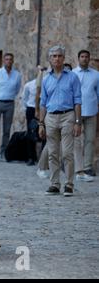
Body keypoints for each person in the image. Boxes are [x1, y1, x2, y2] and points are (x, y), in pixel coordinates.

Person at [38, 45, 82, 196]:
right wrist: (41, 123)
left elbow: (77, 101)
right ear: (50, 59)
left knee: (67, 153)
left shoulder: (72, 77)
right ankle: (54, 184)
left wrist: (78, 122)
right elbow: (43, 103)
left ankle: (69, 184)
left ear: (64, 58)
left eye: (59, 56)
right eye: (54, 56)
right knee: (52, 153)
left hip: (67, 116)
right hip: (50, 117)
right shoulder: (46, 79)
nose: (56, 58)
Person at [73, 50, 99, 180]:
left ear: (89, 59)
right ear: (78, 58)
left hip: (91, 111)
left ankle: (88, 167)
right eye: (82, 57)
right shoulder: (72, 73)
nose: (84, 59)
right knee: (75, 140)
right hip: (75, 111)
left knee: (90, 140)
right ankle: (76, 166)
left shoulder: (96, 75)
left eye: (86, 57)